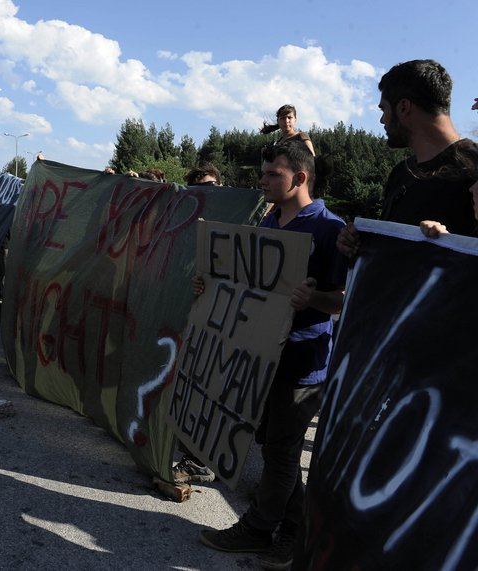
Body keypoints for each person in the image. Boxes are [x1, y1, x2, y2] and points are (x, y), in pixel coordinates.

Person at [197, 141, 346, 571]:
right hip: (262, 355)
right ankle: (295, 534)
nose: (262, 181)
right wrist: (209, 290)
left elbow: (341, 300)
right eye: (262, 174)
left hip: (302, 363)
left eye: (272, 175)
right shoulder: (268, 219)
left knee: (280, 451)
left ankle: (261, 530)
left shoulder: (328, 229)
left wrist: (311, 297)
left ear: (300, 178)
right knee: (272, 446)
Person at [338, 59, 478, 257]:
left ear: (403, 107)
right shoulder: (400, 173)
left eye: (384, 109)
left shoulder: (474, 167)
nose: (382, 119)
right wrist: (359, 242)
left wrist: (451, 246)